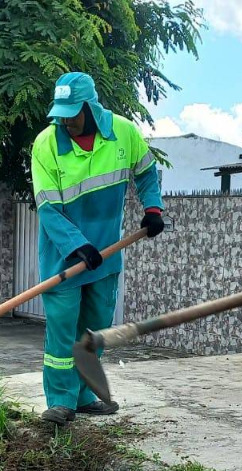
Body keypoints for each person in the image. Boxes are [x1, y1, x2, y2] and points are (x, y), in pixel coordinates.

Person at [29, 71, 165, 425]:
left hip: (106, 256)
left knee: (94, 332)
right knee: (62, 333)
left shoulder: (123, 132)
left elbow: (148, 172)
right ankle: (60, 401)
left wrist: (153, 209)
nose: (65, 120)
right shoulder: (46, 144)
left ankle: (85, 395)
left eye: (72, 112)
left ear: (90, 107)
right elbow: (48, 209)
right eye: (60, 113)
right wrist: (77, 246)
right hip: (64, 258)